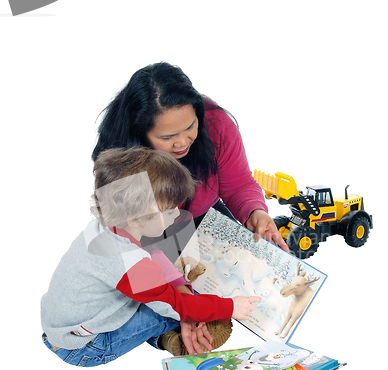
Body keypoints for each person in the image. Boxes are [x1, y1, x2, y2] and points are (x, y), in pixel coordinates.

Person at [41, 147, 260, 366]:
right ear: (134, 218)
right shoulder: (126, 261)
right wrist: (229, 307)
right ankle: (165, 335)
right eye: (169, 210)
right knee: (164, 310)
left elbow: (153, 254)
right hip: (86, 348)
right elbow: (176, 305)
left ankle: (170, 333)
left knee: (167, 298)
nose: (177, 213)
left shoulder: (111, 225)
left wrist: (182, 290)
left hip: (66, 328)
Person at [92, 62, 288, 254]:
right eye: (167, 137)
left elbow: (238, 184)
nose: (183, 143)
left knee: (247, 268)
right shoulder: (117, 148)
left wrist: (255, 212)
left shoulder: (217, 126)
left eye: (190, 127)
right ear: (140, 133)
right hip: (148, 230)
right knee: (161, 282)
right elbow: (121, 221)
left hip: (205, 215)